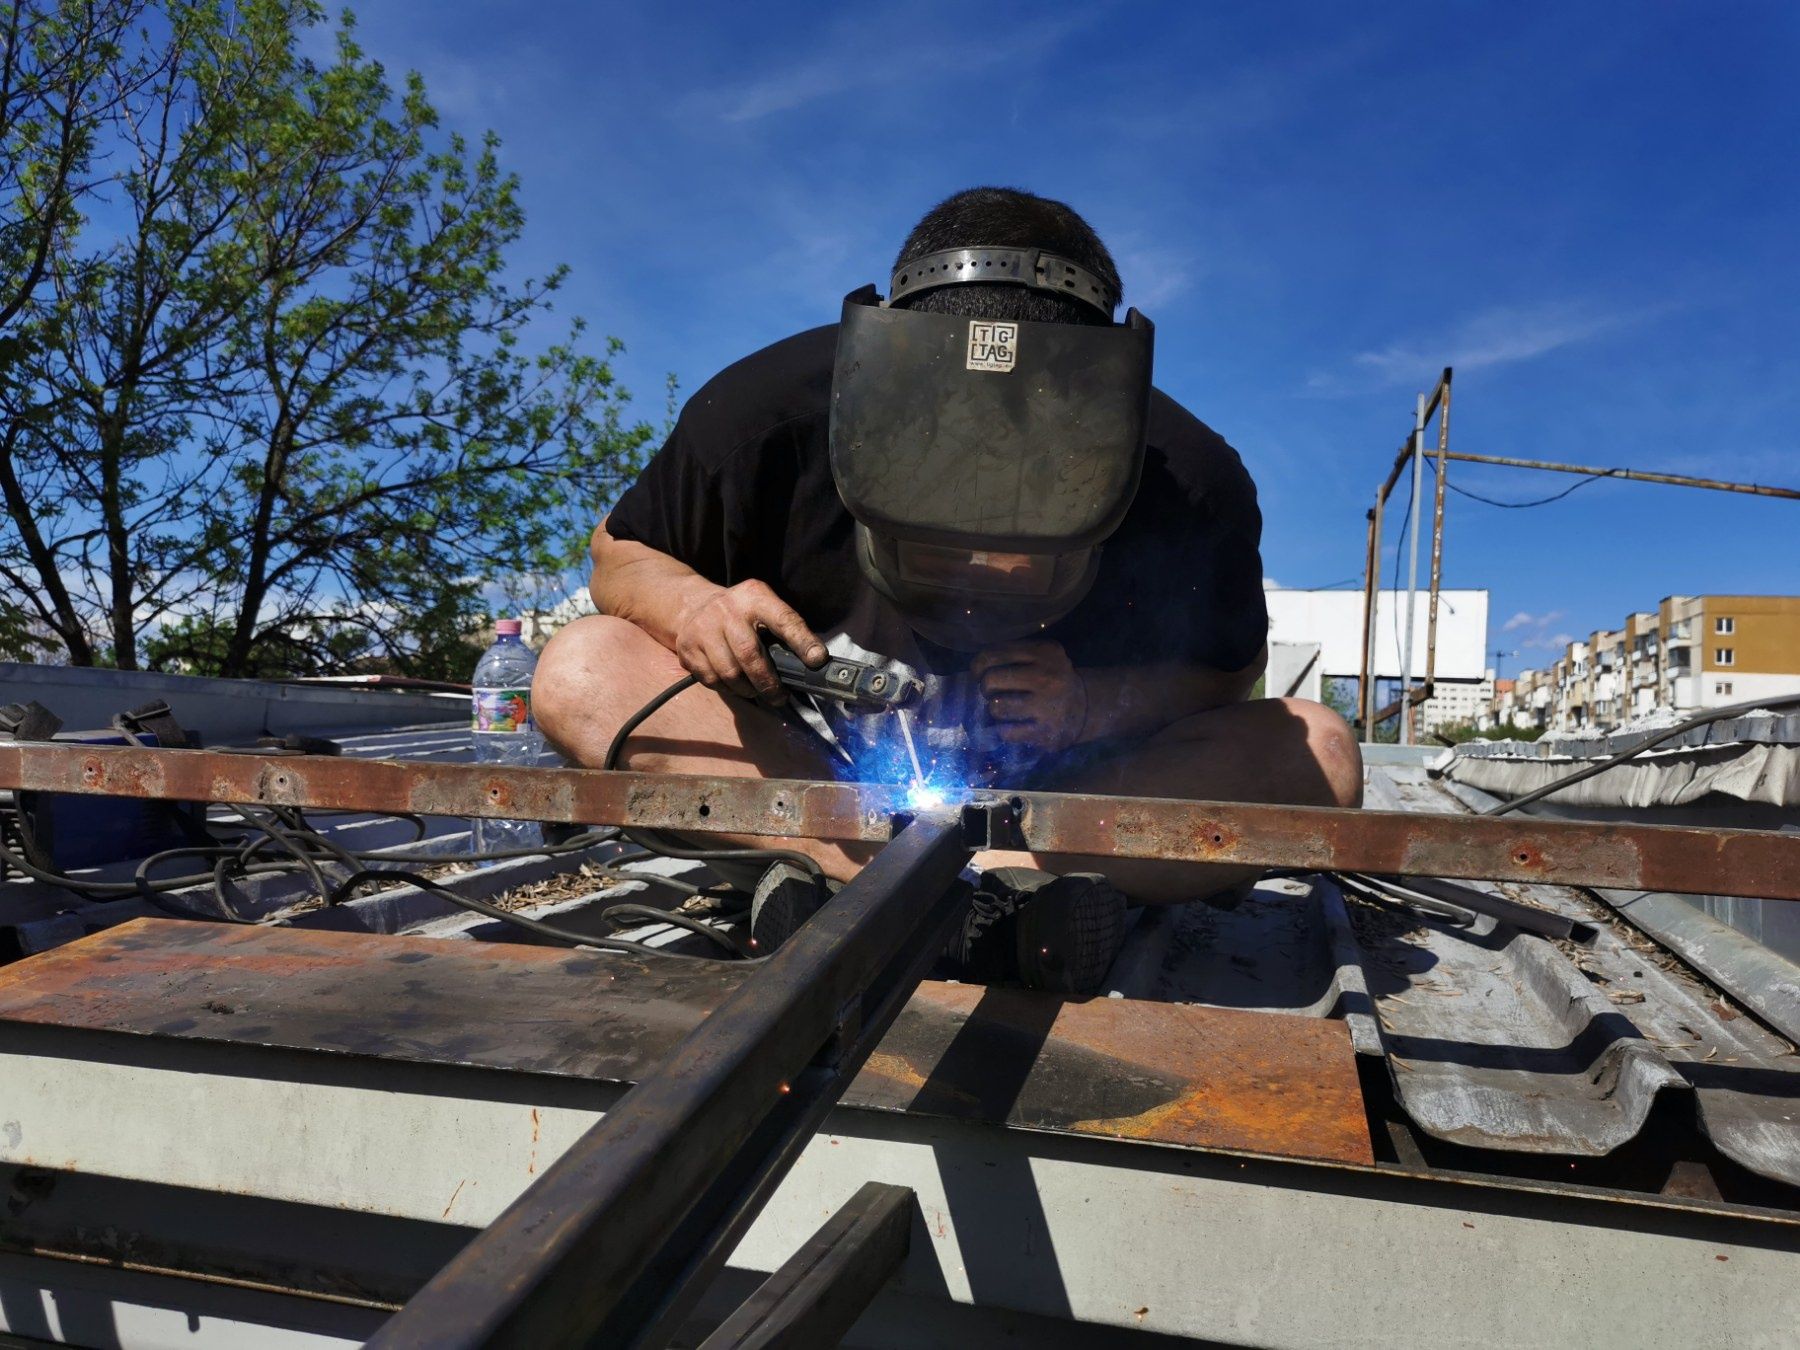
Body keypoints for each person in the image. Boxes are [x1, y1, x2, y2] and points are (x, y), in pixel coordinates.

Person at [536, 187, 1361, 989]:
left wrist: (1094, 706)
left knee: (1319, 755)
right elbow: (620, 556)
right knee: (582, 671)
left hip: (1066, 810)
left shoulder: (1189, 479)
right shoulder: (772, 411)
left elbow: (1226, 674)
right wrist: (694, 608)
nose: (973, 586)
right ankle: (886, 875)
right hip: (816, 787)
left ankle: (962, 886)